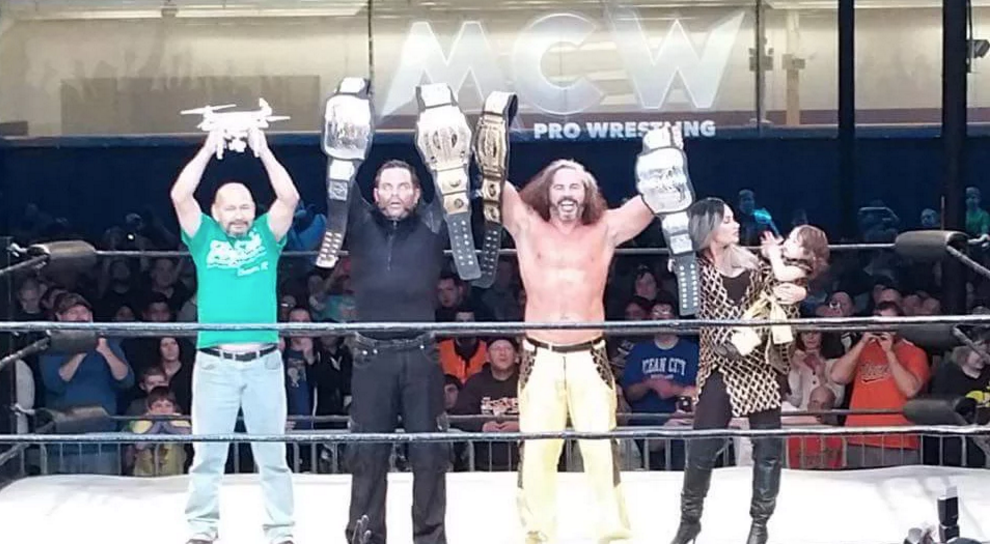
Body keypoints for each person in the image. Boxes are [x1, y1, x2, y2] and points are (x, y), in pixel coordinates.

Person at [499, 158, 657, 543]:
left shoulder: (605, 228)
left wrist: (666, 155)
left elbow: (656, 198)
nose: (567, 194)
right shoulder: (527, 225)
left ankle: (612, 531)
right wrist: (483, 143)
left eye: (575, 186)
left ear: (588, 193)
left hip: (589, 354)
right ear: (546, 192)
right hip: (540, 353)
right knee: (538, 449)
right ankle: (537, 532)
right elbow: (493, 183)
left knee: (601, 447)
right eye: (559, 186)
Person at [170, 128, 299, 544]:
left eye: (245, 206)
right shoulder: (204, 236)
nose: (239, 214)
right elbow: (180, 195)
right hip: (215, 363)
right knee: (207, 455)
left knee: (272, 455)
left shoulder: (266, 235)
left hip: (264, 362)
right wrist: (209, 148)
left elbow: (289, 198)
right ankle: (201, 529)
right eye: (231, 207)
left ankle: (280, 531)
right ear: (216, 211)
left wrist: (264, 152)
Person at [669, 198, 807, 544]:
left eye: (733, 219)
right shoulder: (692, 268)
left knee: (767, 448)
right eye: (727, 220)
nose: (735, 225)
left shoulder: (753, 263)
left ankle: (760, 525)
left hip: (758, 364)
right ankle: (689, 521)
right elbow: (683, 284)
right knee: (702, 448)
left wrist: (798, 292)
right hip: (719, 363)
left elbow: (782, 293)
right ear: (709, 227)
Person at [342, 159, 451, 544]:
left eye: (403, 186)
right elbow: (340, 174)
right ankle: (366, 538)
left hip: (421, 354)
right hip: (371, 357)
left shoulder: (432, 224)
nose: (394, 194)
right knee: (367, 455)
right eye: (386, 187)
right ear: (375, 193)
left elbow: (451, 180)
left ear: (417, 193)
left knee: (430, 455)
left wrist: (437, 144)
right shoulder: (360, 222)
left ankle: (430, 540)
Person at [717, 225, 829, 360]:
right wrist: (770, 249)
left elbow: (781, 274)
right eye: (789, 238)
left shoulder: (801, 268)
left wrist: (774, 255)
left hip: (780, 309)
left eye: (794, 242)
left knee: (760, 326)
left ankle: (740, 349)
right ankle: (734, 344)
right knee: (750, 321)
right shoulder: (786, 258)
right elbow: (769, 261)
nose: (787, 243)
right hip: (767, 302)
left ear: (807, 254)